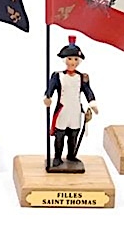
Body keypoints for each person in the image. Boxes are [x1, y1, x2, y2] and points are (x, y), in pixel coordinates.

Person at [44, 36, 98, 169]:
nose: (72, 62)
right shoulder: (57, 76)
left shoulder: (82, 77)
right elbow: (50, 89)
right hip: (62, 110)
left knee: (73, 135)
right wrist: (47, 97)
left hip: (75, 111)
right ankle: (57, 157)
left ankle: (71, 155)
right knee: (60, 135)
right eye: (70, 59)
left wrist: (92, 103)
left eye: (75, 59)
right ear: (65, 60)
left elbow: (87, 91)